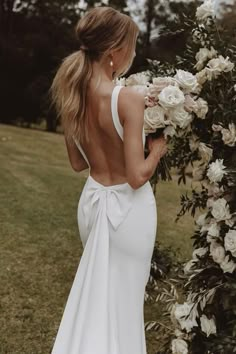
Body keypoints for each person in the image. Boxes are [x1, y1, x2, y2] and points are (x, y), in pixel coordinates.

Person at [50, 6, 168, 354]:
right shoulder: (127, 99)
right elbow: (136, 177)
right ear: (115, 52)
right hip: (128, 214)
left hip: (91, 204)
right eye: (131, 46)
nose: (133, 53)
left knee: (98, 299)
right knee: (124, 303)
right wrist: (157, 149)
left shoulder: (74, 93)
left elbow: (76, 163)